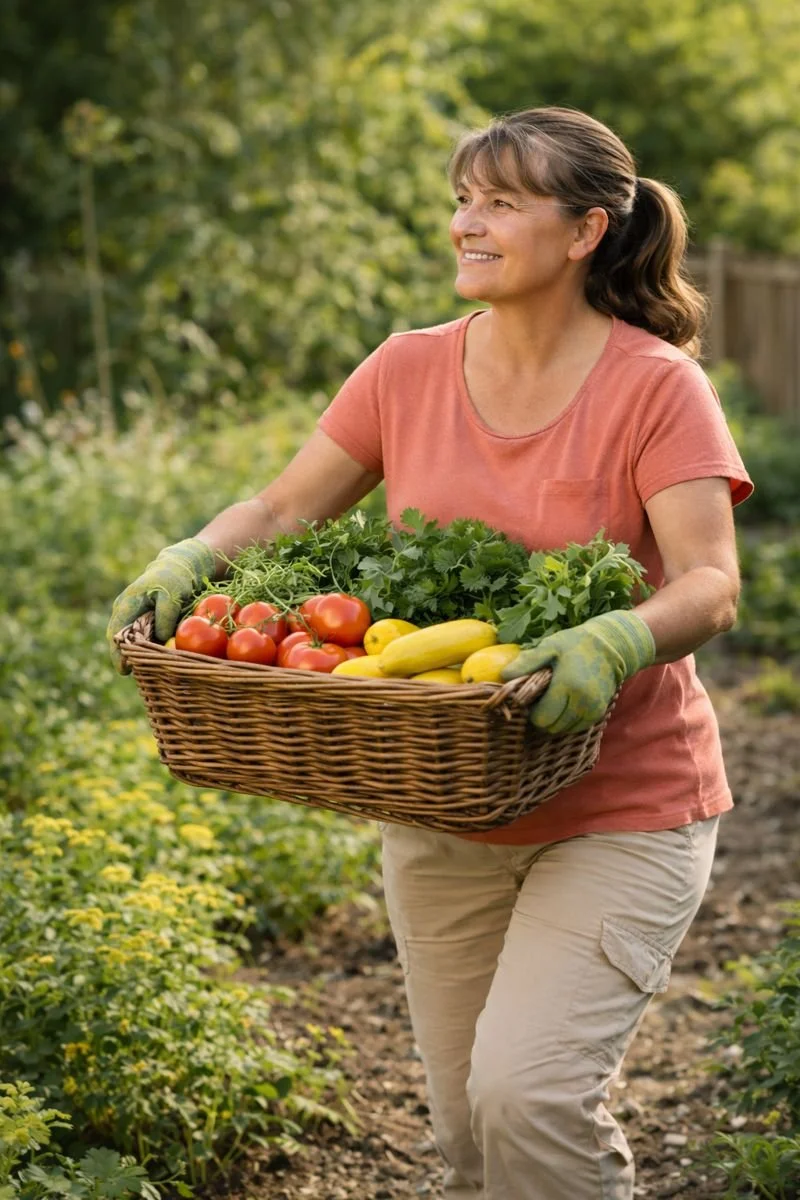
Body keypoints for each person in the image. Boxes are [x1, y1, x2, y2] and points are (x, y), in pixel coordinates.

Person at [107, 106, 753, 1199]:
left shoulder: (654, 386)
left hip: (622, 803)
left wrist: (612, 633)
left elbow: (710, 582)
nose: (468, 222)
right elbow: (280, 509)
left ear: (585, 230)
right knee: (466, 1134)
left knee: (530, 1102)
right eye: (462, 199)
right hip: (443, 800)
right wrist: (193, 557)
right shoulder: (404, 370)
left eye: (499, 202)